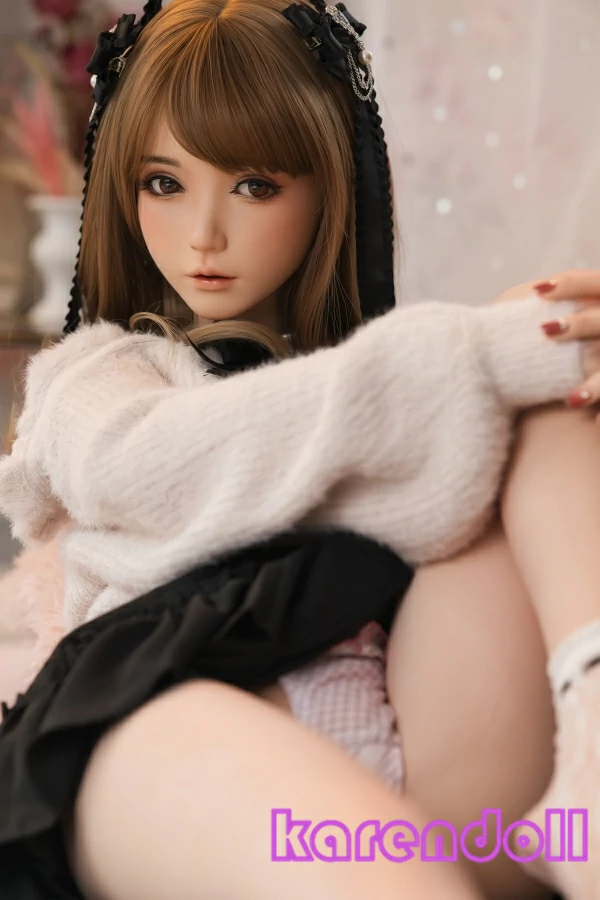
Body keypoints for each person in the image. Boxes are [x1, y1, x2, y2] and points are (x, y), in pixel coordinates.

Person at [0, 0, 599, 897]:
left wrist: (525, 347)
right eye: (163, 183)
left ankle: (594, 741)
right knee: (525, 342)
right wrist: (486, 351)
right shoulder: (93, 375)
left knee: (553, 344)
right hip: (168, 701)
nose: (203, 233)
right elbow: (151, 464)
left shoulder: (390, 390)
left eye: (253, 185)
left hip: (412, 727)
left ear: (330, 186)